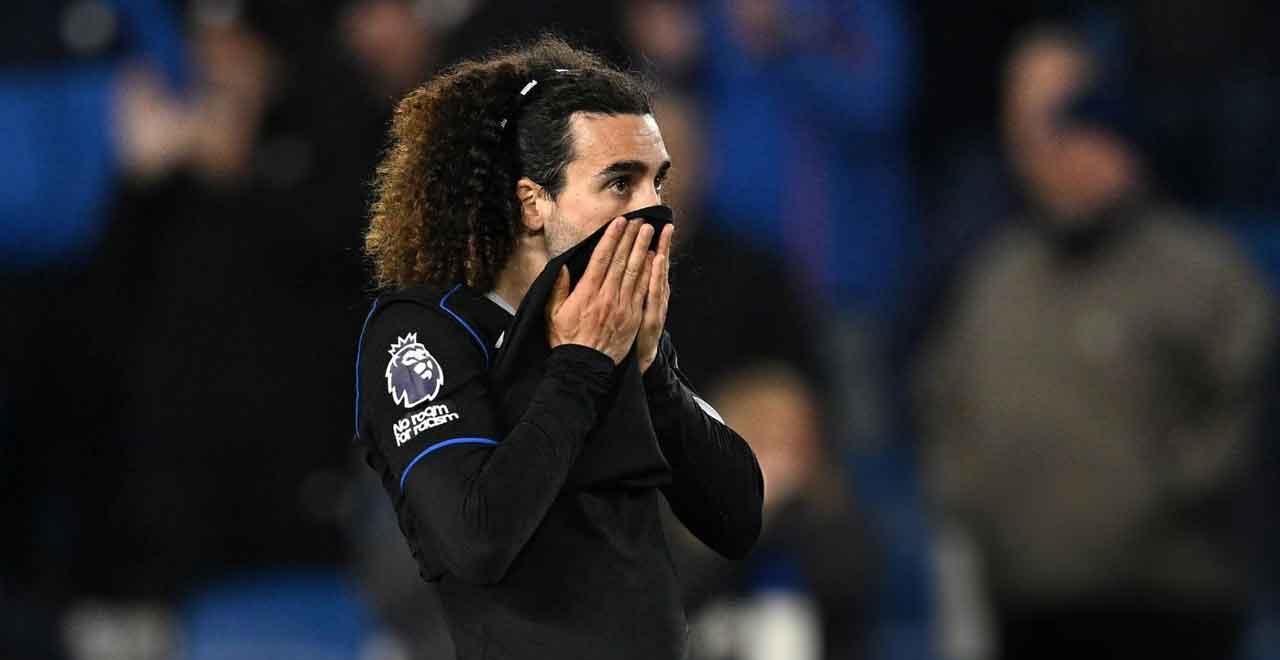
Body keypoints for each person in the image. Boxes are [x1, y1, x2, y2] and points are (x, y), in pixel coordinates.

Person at [355, 37, 763, 659]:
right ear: (533, 203)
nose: (656, 210)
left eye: (658, 181)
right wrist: (581, 367)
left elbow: (737, 520)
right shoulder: (422, 331)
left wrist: (653, 374)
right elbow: (477, 540)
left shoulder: (616, 328)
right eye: (620, 183)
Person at [914, 27, 1275, 660]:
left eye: (1092, 138)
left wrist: (1168, 491)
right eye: (1062, 142)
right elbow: (943, 403)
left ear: (1129, 149)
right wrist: (978, 502)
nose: (1073, 159)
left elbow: (1249, 401)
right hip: (1027, 602)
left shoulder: (1200, 271)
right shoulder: (997, 276)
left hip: (1172, 603)